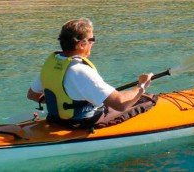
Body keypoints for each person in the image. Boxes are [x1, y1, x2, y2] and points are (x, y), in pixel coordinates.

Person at [27, 18, 156, 129]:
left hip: (56, 119)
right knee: (147, 100)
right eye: (92, 39)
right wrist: (142, 86)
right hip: (81, 123)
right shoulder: (81, 70)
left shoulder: (52, 65)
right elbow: (121, 104)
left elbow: (32, 95)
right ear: (82, 44)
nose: (93, 43)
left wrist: (56, 103)